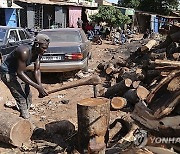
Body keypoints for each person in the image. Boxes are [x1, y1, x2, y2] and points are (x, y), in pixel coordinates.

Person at [0, 34, 50, 119]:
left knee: (28, 94)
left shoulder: (38, 52)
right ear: (37, 45)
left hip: (18, 71)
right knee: (21, 96)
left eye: (46, 48)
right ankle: (26, 118)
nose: (45, 50)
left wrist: (40, 86)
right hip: (7, 72)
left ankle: (25, 116)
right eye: (44, 48)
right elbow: (20, 72)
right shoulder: (24, 52)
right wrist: (37, 87)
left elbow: (37, 69)